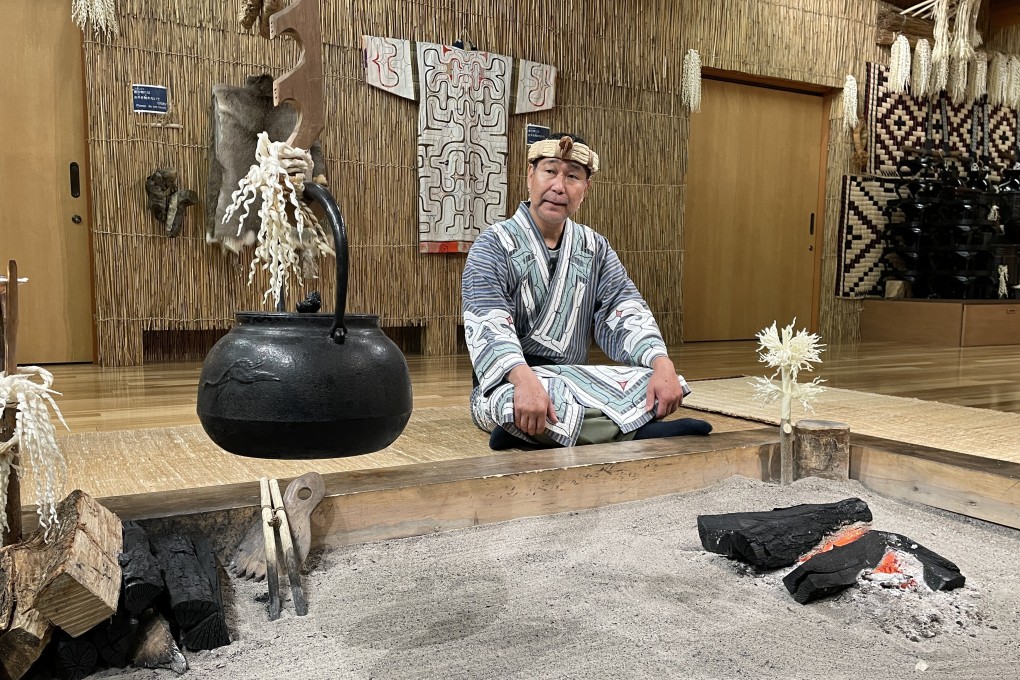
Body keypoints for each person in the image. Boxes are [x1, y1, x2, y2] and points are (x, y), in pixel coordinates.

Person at [461, 133, 711, 450]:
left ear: (585, 189)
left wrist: (662, 365)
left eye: (573, 177)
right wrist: (525, 380)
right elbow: (488, 323)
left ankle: (538, 435)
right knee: (509, 403)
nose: (558, 186)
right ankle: (631, 430)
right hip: (508, 381)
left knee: (648, 382)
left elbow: (624, 309)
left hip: (571, 376)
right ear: (530, 175)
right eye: (549, 171)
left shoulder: (594, 248)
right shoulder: (492, 245)